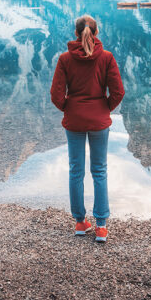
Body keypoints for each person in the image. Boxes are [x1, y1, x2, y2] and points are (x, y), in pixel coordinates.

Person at [50, 14, 124, 243]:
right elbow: (118, 92)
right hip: (99, 121)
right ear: (96, 32)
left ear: (75, 33)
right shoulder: (107, 58)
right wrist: (104, 109)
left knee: (76, 171)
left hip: (74, 121)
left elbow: (56, 95)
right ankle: (101, 227)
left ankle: (80, 223)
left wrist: (69, 108)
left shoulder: (65, 59)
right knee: (99, 171)